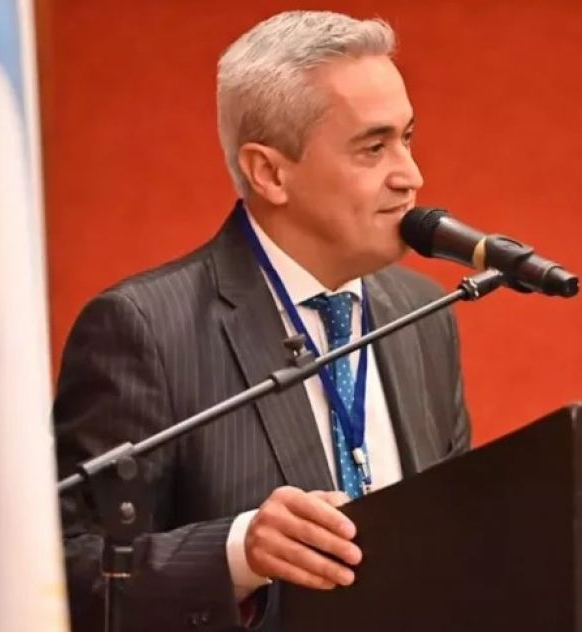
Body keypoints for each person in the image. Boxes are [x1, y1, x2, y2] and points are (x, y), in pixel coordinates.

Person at [54, 10, 471, 631]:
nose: (411, 176)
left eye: (407, 138)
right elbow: (65, 574)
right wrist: (237, 553)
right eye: (373, 147)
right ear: (270, 172)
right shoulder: (144, 329)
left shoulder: (421, 314)